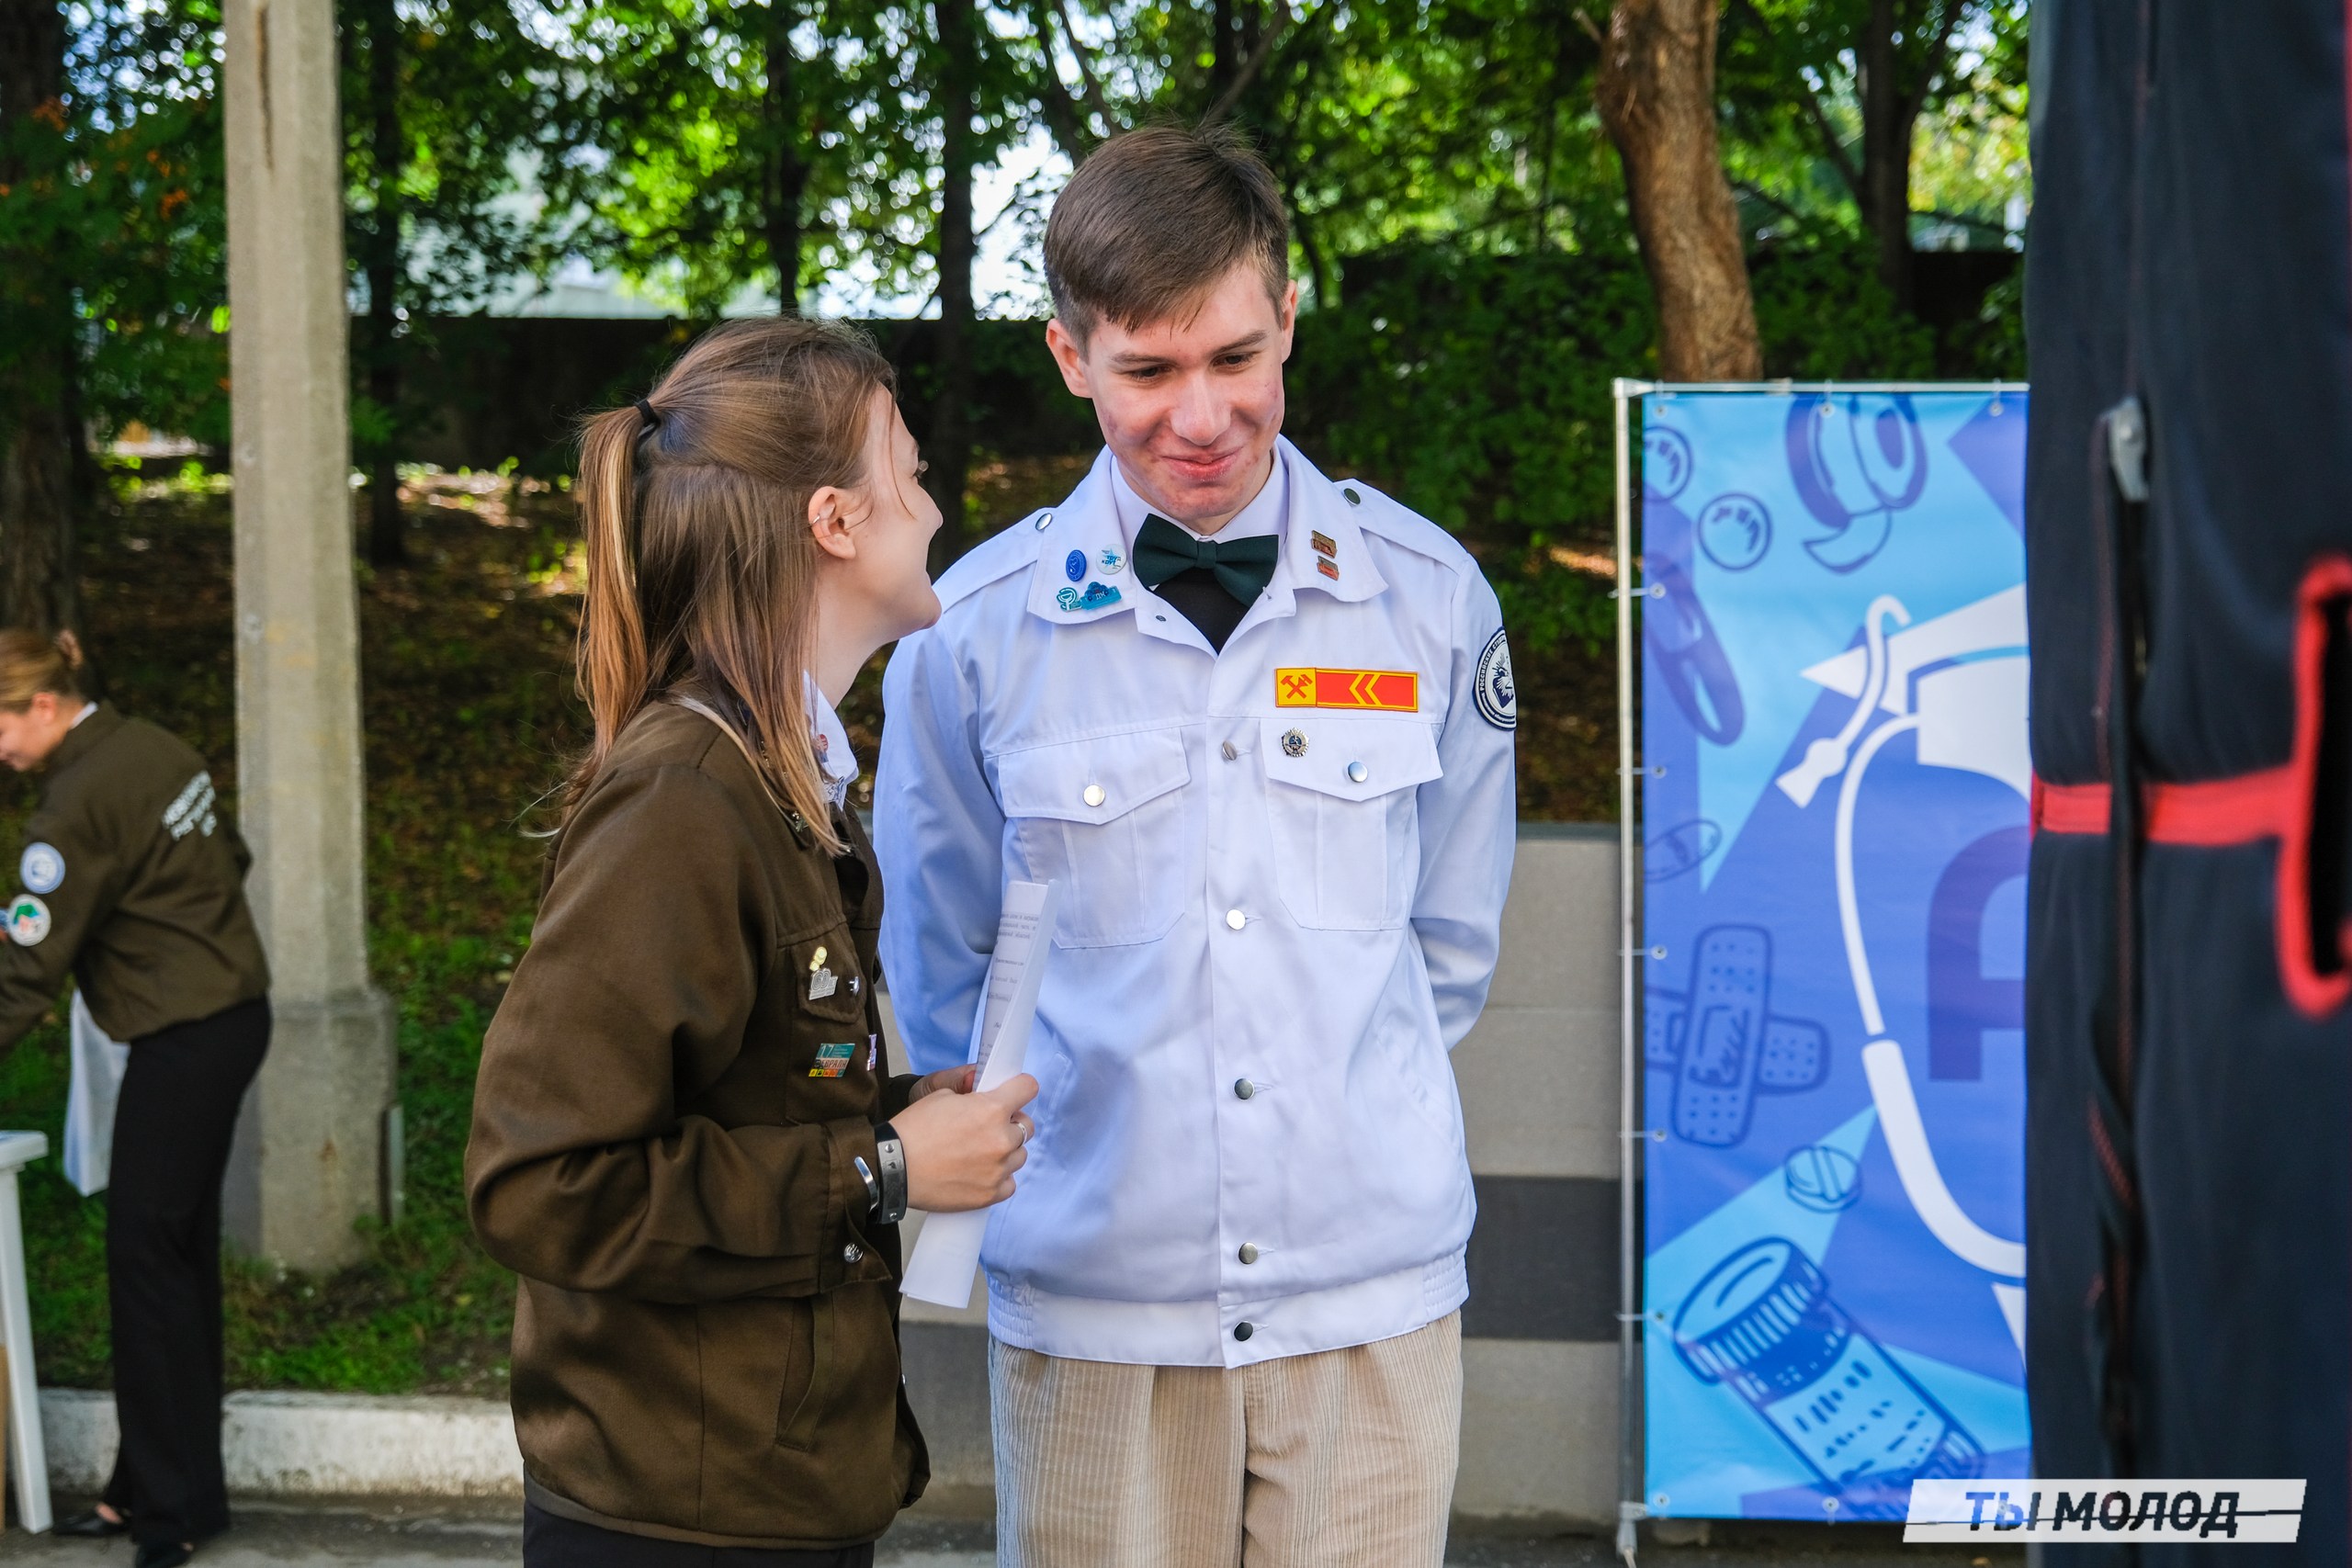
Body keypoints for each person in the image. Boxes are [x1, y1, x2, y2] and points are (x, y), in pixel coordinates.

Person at [875, 126, 1518, 1567]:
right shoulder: (969, 636)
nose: (1203, 414)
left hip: (1369, 1304)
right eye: (1149, 371)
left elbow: (1450, 943)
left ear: (1288, 318)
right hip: (1097, 1312)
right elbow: (941, 970)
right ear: (1070, 357)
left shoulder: (1431, 600)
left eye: (1235, 356)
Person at [465, 317, 1039, 1567]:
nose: (935, 508)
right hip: (679, 1521)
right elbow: (540, 1181)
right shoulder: (684, 793)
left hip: (764, 1492)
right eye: (913, 472)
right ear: (834, 521)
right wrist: (882, 1168)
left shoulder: (778, 773)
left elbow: (737, 1094)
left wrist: (896, 1113)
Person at [0, 630, 272, 1568]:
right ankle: (166, 1491)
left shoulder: (73, 804)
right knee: (175, 1259)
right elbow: (230, 856)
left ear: (42, 704)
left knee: (146, 1265)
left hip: (184, 1039)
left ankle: (166, 1514)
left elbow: (24, 973)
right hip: (229, 1016)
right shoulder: (155, 747)